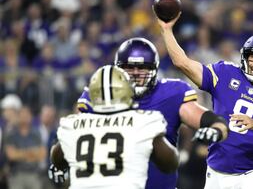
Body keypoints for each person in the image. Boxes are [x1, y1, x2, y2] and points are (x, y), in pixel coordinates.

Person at [51, 37, 229, 189]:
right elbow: (74, 138)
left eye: (142, 68)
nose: (135, 73)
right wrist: (61, 163)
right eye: (129, 68)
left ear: (154, 69)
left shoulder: (171, 93)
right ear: (118, 69)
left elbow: (201, 116)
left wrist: (217, 127)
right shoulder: (100, 95)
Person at [156, 15, 253, 189]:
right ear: (244, 56)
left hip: (248, 176)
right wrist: (166, 30)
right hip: (214, 170)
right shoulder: (225, 73)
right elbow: (182, 62)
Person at [50, 65, 179, 189]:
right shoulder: (143, 121)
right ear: (127, 91)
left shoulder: (74, 124)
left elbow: (57, 160)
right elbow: (170, 162)